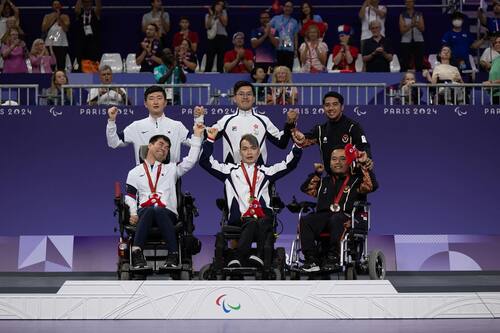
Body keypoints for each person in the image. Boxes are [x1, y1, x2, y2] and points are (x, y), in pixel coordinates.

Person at [199, 129, 303, 267]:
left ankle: (243, 257)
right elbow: (205, 161)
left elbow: (288, 164)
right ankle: (255, 255)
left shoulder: (267, 172)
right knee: (253, 222)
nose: (249, 152)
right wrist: (210, 140)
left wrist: (298, 145)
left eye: (253, 148)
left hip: (262, 218)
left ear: (258, 151)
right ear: (240, 152)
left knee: (264, 219)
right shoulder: (229, 171)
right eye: (245, 149)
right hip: (239, 219)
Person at [125, 127, 203, 269]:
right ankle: (137, 253)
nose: (164, 148)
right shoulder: (134, 172)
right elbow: (130, 196)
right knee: (150, 210)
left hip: (167, 213)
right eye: (161, 144)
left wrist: (197, 136)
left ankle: (173, 254)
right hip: (144, 213)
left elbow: (191, 160)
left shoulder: (172, 169)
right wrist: (133, 213)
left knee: (158, 210)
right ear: (149, 145)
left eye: (167, 147)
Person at [299, 145, 378, 272]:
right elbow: (307, 189)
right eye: (334, 159)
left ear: (349, 162)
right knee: (306, 220)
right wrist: (317, 174)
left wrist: (364, 166)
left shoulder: (356, 180)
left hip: (346, 216)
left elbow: (371, 186)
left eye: (342, 159)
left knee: (336, 219)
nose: (338, 162)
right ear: (329, 163)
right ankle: (311, 259)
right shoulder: (324, 181)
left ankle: (333, 257)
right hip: (324, 216)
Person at [199, 80, 297, 164]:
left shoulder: (264, 120)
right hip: (232, 178)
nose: (245, 97)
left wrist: (289, 123)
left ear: (254, 98)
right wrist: (198, 118)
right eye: (241, 94)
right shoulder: (225, 121)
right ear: (234, 98)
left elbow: (282, 143)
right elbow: (205, 135)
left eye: (249, 94)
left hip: (259, 178)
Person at [106, 85, 203, 165]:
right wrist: (111, 121)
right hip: (143, 178)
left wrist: (198, 120)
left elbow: (196, 142)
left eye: (159, 98)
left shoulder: (177, 126)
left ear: (165, 102)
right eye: (151, 99)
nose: (155, 102)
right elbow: (113, 143)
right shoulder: (136, 126)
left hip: (171, 177)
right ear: (145, 103)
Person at [293, 91, 372, 175]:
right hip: (331, 180)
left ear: (342, 107)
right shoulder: (320, 130)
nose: (331, 108)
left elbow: (364, 147)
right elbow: (302, 141)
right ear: (323, 108)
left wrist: (367, 159)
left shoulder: (353, 127)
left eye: (335, 104)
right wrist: (291, 125)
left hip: (351, 179)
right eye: (327, 105)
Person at [270, 1, 299, 71]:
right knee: (277, 71)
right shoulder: (276, 18)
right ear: (283, 8)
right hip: (277, 49)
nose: (287, 8)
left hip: (289, 50)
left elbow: (295, 37)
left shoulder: (294, 21)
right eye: (286, 6)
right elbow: (269, 30)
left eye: (290, 7)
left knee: (288, 71)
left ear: (292, 9)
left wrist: (295, 50)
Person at [74, 0, 101, 72]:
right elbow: (76, 10)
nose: (87, 4)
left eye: (89, 2)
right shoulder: (80, 13)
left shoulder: (94, 13)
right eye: (85, 2)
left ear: (92, 3)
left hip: (93, 43)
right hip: (81, 43)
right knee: (80, 62)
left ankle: (94, 77)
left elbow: (98, 7)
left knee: (94, 62)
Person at [42, 0, 70, 71]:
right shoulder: (47, 16)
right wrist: (52, 18)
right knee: (50, 65)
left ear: (61, 6)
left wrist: (59, 18)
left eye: (58, 4)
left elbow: (66, 29)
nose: (56, 6)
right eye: (55, 4)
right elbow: (44, 29)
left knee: (61, 65)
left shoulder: (65, 16)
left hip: (61, 44)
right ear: (52, 6)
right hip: (50, 44)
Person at [399, 0, 425, 72]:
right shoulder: (402, 15)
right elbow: (402, 30)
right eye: (406, 2)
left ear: (413, 3)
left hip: (418, 41)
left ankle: (419, 80)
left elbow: (422, 28)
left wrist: (414, 24)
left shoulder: (419, 14)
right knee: (405, 63)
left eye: (410, 1)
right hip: (405, 41)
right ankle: (404, 80)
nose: (408, 3)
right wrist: (412, 24)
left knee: (419, 63)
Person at [204, 0, 228, 73]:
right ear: (214, 5)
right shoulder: (208, 15)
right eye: (218, 4)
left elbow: (225, 23)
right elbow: (207, 26)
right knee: (210, 58)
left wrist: (219, 14)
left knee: (220, 59)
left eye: (221, 5)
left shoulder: (224, 13)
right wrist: (212, 15)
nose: (219, 6)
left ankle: (220, 75)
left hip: (222, 38)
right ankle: (207, 74)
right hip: (212, 38)